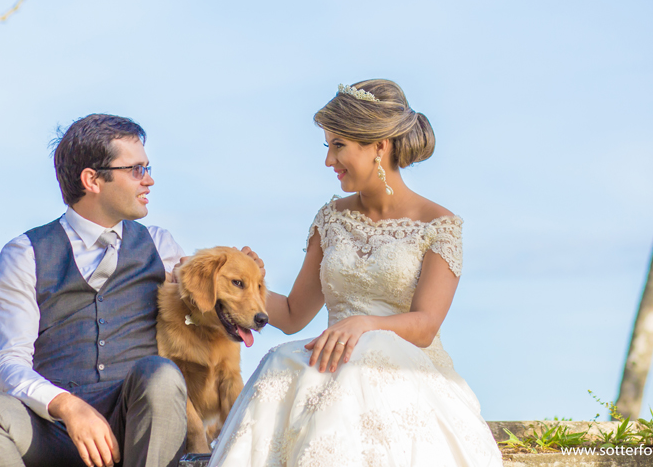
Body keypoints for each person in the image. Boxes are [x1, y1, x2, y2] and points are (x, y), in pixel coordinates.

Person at [208, 80, 503, 467]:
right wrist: (242, 286)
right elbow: (296, 314)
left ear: (379, 146)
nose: (329, 161)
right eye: (328, 146)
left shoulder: (439, 225)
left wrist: (363, 325)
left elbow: (426, 324)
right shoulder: (330, 219)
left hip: (406, 370)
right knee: (281, 361)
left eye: (338, 146)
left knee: (365, 354)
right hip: (330, 367)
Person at [0, 114, 191, 467]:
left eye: (148, 168)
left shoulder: (160, 244)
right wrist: (68, 407)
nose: (148, 180)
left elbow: (214, 309)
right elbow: (7, 363)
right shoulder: (24, 253)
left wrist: (244, 274)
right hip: (52, 430)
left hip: (136, 428)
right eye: (136, 169)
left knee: (161, 374)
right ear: (92, 179)